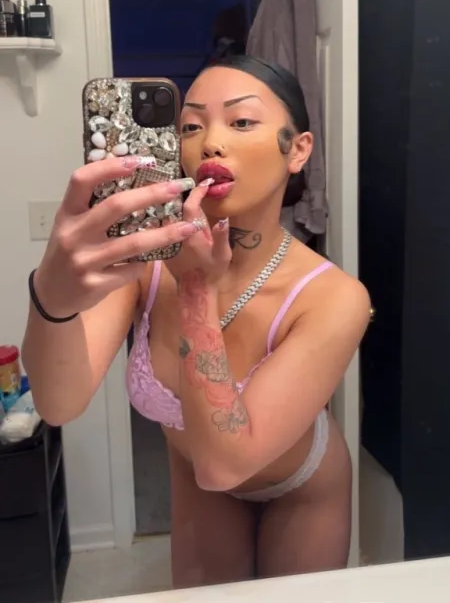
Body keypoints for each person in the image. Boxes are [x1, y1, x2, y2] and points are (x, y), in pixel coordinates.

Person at [22, 56, 370, 588]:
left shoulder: (334, 297)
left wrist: (195, 290)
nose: (211, 143)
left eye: (241, 121)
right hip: (194, 475)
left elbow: (225, 464)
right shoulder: (144, 263)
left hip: (299, 487)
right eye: (190, 126)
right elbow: (58, 403)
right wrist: (51, 297)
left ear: (298, 150)